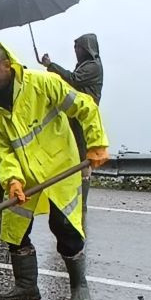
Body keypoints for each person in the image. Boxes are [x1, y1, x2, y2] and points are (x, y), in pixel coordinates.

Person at [0, 42, 109, 300]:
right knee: (15, 228)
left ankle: (79, 286)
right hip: (24, 173)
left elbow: (85, 106)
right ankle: (26, 287)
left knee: (65, 227)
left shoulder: (44, 83)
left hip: (58, 167)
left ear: (7, 66)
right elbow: (0, 147)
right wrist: (12, 179)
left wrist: (96, 143)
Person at [41, 34, 103, 220]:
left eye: (78, 48)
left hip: (85, 117)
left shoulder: (93, 66)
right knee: (72, 156)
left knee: (83, 158)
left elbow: (73, 80)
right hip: (75, 115)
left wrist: (51, 65)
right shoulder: (84, 65)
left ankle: (82, 203)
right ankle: (70, 198)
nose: (76, 51)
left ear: (87, 49)